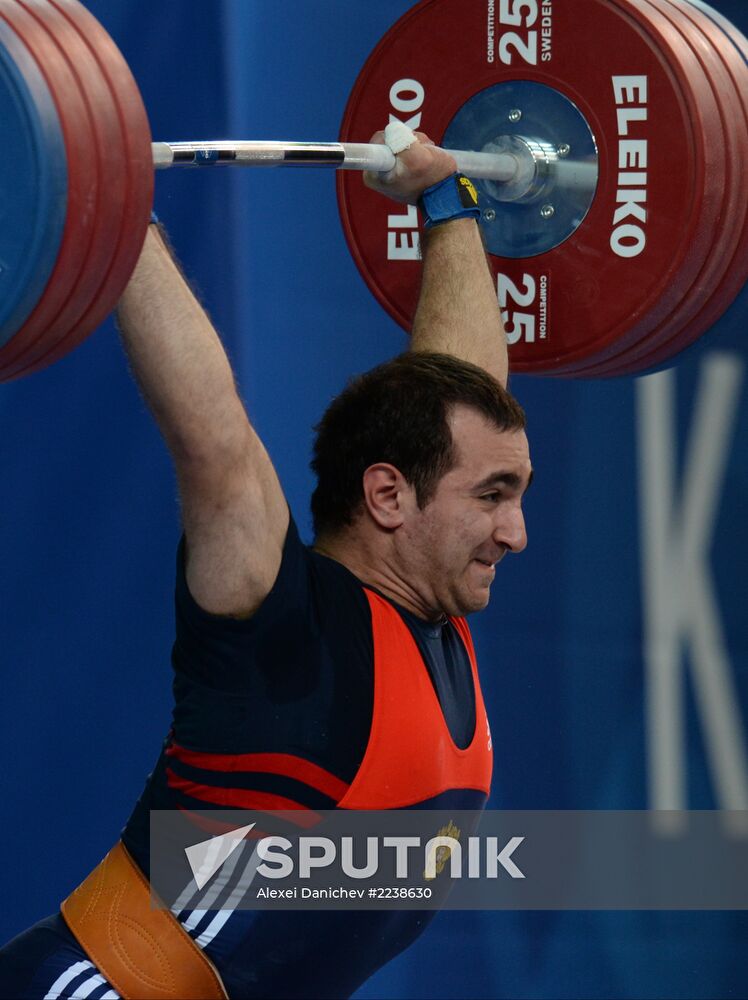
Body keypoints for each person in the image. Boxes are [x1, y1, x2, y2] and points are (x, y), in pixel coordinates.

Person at [0, 128, 532, 999]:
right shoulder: (280, 627)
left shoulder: (435, 615)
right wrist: (114, 206)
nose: (515, 533)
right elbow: (211, 437)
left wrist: (447, 203)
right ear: (389, 497)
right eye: (494, 498)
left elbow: (466, 393)